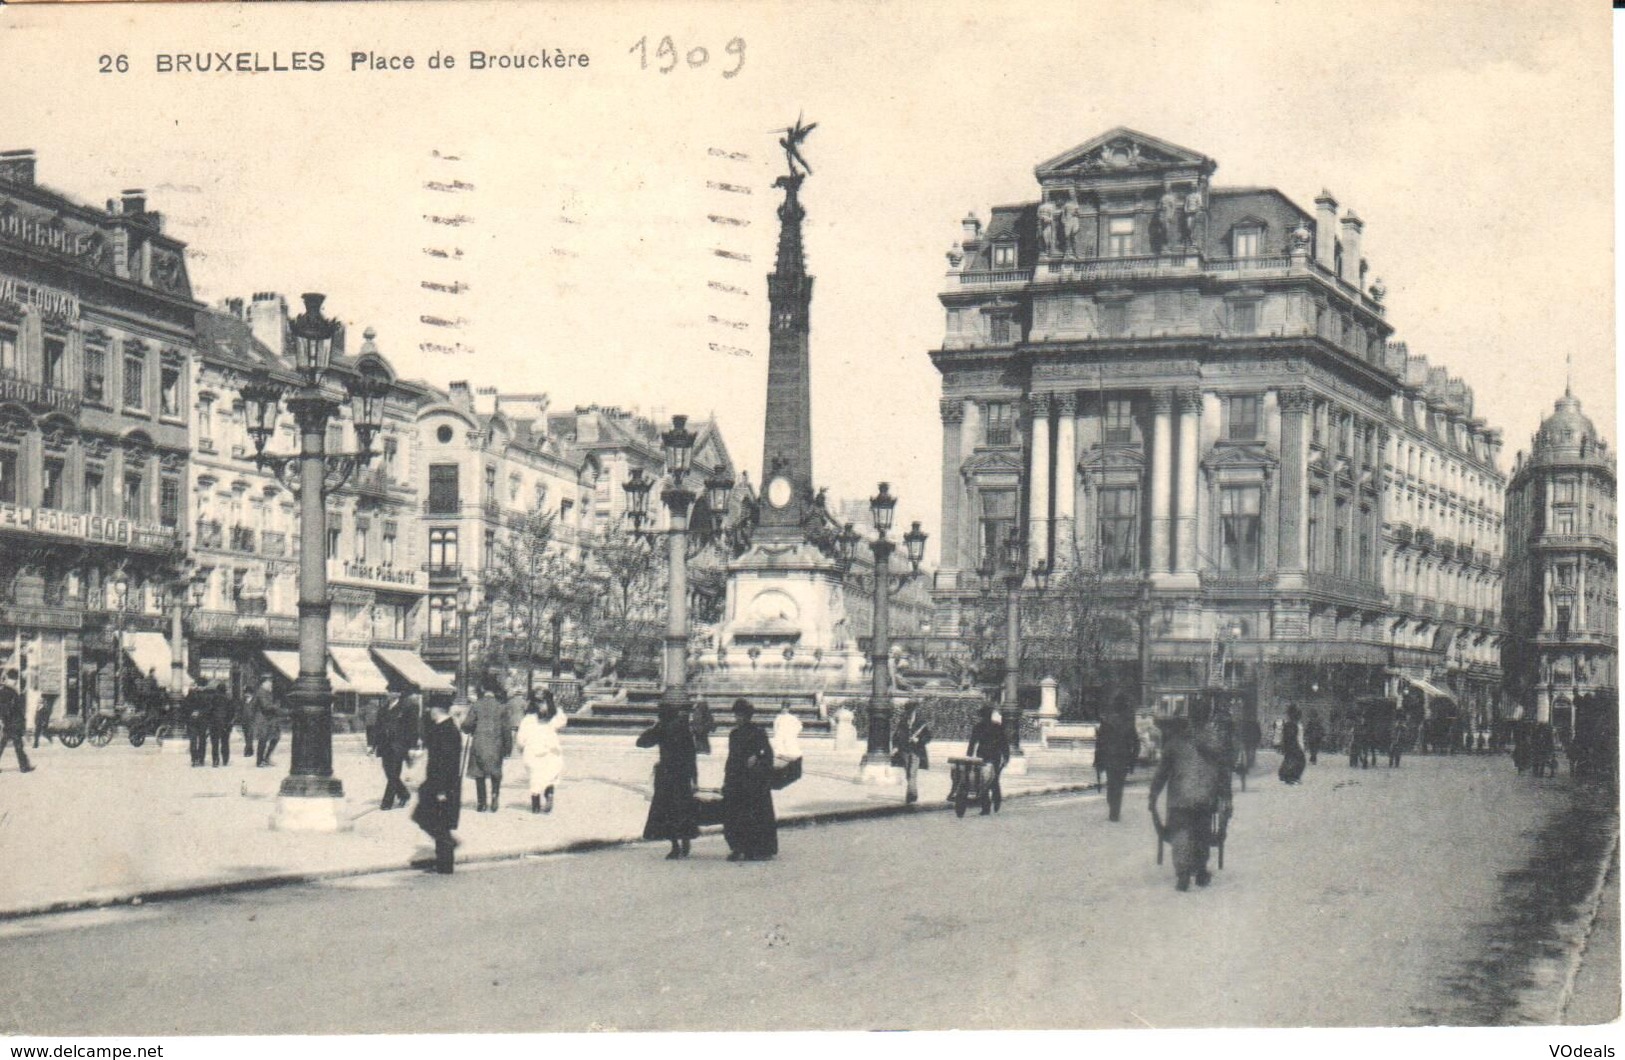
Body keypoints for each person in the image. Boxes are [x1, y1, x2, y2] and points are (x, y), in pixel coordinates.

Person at [1148, 699, 1231, 892]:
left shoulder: (1176, 742)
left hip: (1179, 798)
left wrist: (1154, 794)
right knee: (1202, 833)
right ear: (1208, 716)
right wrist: (1226, 798)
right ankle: (1200, 869)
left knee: (1181, 834)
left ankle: (1183, 873)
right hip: (1205, 798)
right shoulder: (1216, 742)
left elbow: (1162, 773)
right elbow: (1223, 773)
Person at [637, 703, 699, 859]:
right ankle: (685, 840)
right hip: (682, 775)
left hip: (666, 775)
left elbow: (641, 742)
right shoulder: (684, 730)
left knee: (667, 811)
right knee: (682, 809)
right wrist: (694, 778)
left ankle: (675, 846)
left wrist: (653, 727)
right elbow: (692, 755)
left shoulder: (661, 728)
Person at [722, 699, 778, 862]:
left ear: (748, 716)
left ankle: (756, 849)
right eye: (736, 715)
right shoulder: (734, 734)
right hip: (736, 779)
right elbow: (731, 758)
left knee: (754, 816)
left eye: (741, 715)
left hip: (754, 781)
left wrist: (758, 757)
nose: (738, 718)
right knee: (734, 815)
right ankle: (737, 847)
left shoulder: (758, 733)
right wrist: (726, 779)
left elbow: (767, 754)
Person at [412, 699, 463, 874]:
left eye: (431, 708)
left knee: (436, 822)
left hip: (442, 784)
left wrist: (442, 790)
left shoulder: (448, 730)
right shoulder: (442, 728)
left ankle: (445, 862)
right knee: (427, 818)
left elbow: (446, 763)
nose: (429, 711)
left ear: (437, 709)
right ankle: (445, 855)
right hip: (435, 782)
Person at [463, 676, 513, 812]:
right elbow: (507, 730)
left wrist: (468, 728)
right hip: (496, 744)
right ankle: (495, 795)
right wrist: (508, 748)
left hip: (479, 743)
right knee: (495, 772)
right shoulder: (502, 707)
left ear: (483, 689)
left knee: (479, 773)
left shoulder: (476, 705)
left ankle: (482, 803)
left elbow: (467, 725)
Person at [516, 690, 567, 814]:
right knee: (550, 775)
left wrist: (520, 747)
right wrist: (554, 707)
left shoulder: (528, 719)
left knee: (535, 777)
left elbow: (521, 737)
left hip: (533, 749)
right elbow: (563, 721)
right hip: (551, 749)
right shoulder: (554, 717)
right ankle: (549, 793)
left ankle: (536, 805)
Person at [1094, 698, 1141, 822]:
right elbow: (1136, 744)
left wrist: (1097, 760)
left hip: (1109, 758)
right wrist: (1133, 760)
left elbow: (1099, 743)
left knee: (1111, 784)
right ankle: (1115, 812)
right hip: (1123, 759)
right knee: (1119, 786)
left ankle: (1112, 807)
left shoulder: (1106, 722)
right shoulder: (1129, 724)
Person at [964, 704, 1010, 815]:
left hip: (984, 755)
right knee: (992, 780)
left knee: (983, 781)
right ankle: (996, 799)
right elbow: (1004, 744)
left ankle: (987, 806)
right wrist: (1006, 757)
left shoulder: (979, 727)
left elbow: (972, 743)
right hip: (994, 756)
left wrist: (969, 756)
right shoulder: (997, 727)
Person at [377, 692, 414, 810]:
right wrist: (372, 744)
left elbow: (412, 728)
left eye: (392, 691)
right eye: (388, 691)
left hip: (399, 746)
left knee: (394, 774)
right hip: (384, 746)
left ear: (398, 694)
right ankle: (404, 794)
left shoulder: (405, 709)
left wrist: (412, 746)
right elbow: (377, 727)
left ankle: (387, 802)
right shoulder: (383, 709)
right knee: (389, 773)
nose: (389, 694)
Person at [890, 701, 931, 805]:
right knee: (908, 773)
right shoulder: (903, 721)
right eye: (908, 711)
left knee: (912, 773)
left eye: (911, 711)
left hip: (917, 751)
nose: (909, 713)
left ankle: (910, 796)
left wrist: (919, 740)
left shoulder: (921, 722)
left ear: (914, 711)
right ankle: (913, 794)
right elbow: (896, 736)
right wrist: (895, 747)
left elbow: (928, 737)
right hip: (904, 750)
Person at [0, 668, 34, 773]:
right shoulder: (12, 692)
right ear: (14, 679)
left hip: (7, 722)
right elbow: (18, 708)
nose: (16, 681)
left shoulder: (3, 691)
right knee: (18, 746)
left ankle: (24, 766)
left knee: (2, 745)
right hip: (14, 723)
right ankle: (24, 767)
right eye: (16, 679)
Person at [252, 676, 280, 767]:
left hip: (270, 720)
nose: (271, 684)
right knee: (263, 740)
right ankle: (259, 761)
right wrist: (276, 706)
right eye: (269, 682)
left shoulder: (267, 692)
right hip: (263, 720)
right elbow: (266, 706)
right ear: (263, 683)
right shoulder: (261, 692)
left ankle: (266, 758)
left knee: (276, 737)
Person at [208, 679, 236, 767]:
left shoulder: (212, 698)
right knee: (225, 742)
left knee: (215, 743)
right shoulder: (229, 699)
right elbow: (232, 712)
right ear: (225, 690)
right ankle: (225, 760)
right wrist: (230, 723)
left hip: (214, 723)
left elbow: (209, 710)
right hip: (225, 723)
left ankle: (215, 761)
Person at [183, 680, 211, 767]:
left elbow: (185, 706)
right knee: (198, 741)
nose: (200, 688)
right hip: (198, 721)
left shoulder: (192, 694)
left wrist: (195, 713)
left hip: (196, 721)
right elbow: (209, 708)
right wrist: (196, 712)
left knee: (196, 740)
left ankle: (197, 759)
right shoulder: (204, 695)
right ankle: (198, 759)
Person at [1278, 704, 1306, 784]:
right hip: (1293, 745)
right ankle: (1291, 777)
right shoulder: (1292, 724)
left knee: (1291, 760)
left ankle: (1287, 775)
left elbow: (1286, 736)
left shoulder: (1290, 724)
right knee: (1298, 760)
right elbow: (1291, 737)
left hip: (1290, 745)